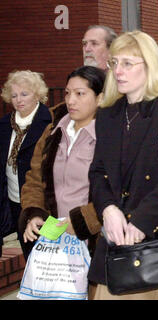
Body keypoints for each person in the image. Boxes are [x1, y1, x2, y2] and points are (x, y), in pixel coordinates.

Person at [88, 31, 158, 300]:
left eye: (128, 63)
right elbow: (98, 171)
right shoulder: (107, 111)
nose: (118, 71)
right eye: (114, 63)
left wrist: (141, 221)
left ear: (149, 65)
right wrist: (107, 209)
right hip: (118, 243)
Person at [18, 25, 116, 260]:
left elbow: (122, 189)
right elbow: (34, 179)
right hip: (54, 239)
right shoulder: (54, 129)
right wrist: (34, 214)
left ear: (100, 97)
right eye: (67, 93)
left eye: (80, 94)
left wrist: (83, 222)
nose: (71, 100)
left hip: (95, 242)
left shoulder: (112, 132)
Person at [0, 71, 51, 258]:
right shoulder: (5, 125)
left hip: (41, 202)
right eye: (14, 95)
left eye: (24, 94)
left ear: (37, 94)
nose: (18, 100)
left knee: (46, 255)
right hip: (14, 201)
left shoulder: (49, 122)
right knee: (29, 253)